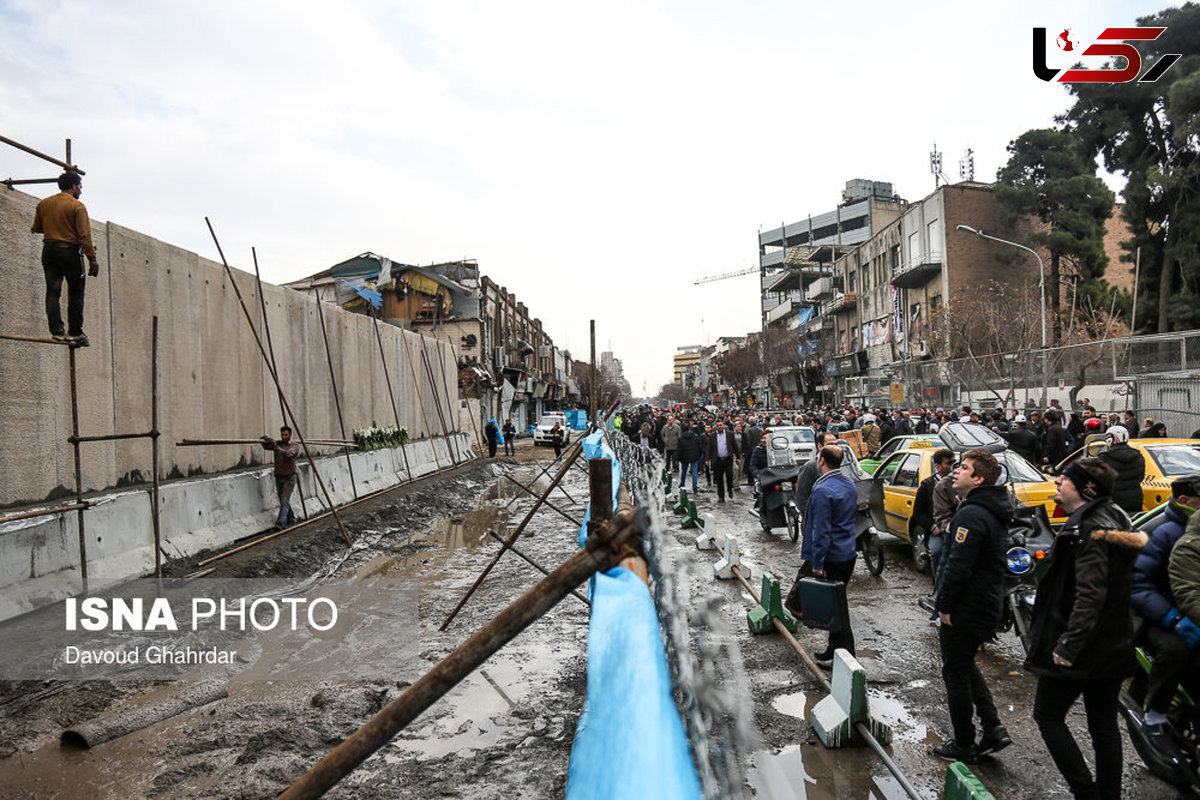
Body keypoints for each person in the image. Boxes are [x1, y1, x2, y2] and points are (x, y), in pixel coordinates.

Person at [1024, 458, 1146, 800]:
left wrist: (1068, 646)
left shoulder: (1091, 529)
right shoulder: (1113, 517)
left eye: (1065, 479)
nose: (1058, 482)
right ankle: (1108, 794)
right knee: (1103, 722)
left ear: (1085, 488)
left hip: (1083, 645)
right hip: (1112, 641)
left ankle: (1085, 791)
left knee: (1047, 717)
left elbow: (1090, 595)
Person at [932, 449, 1012, 764]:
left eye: (963, 468)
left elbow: (957, 567)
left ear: (978, 479)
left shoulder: (972, 514)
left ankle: (964, 742)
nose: (955, 471)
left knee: (955, 672)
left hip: (968, 607)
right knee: (965, 664)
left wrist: (944, 606)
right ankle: (992, 728)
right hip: (982, 603)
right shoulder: (982, 507)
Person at [1130, 474, 1200, 756]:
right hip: (1156, 615)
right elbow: (1137, 583)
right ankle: (1155, 714)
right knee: (1176, 649)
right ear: (1185, 501)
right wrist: (1173, 618)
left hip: (1191, 610)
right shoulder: (1163, 532)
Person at [786, 445, 859, 670]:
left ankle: (845, 657)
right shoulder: (848, 483)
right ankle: (833, 649)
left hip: (832, 556)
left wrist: (817, 562)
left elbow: (821, 529)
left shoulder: (822, 489)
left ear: (821, 461)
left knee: (836, 610)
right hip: (848, 552)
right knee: (836, 604)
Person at [31, 171, 100, 347]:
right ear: (74, 186)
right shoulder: (77, 206)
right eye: (80, 187)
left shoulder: (43, 204)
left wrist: (55, 227)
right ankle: (75, 333)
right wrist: (92, 259)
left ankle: (57, 332)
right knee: (76, 292)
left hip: (49, 250)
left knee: (53, 292)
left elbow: (37, 228)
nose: (81, 190)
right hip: (69, 251)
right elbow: (84, 236)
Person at [915, 448, 956, 580]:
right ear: (938, 466)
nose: (953, 467)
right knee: (938, 551)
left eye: (954, 462)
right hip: (937, 531)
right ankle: (939, 583)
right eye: (948, 463)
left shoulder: (959, 482)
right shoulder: (927, 486)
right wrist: (932, 526)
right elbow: (918, 513)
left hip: (957, 527)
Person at [1097, 426, 1145, 515]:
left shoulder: (1104, 457)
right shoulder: (1138, 456)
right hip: (1135, 500)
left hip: (1113, 501)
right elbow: (1141, 477)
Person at [261, 426, 301, 531]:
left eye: (286, 435)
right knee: (284, 501)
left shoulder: (294, 446)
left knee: (284, 500)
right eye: (282, 435)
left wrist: (276, 447)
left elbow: (288, 454)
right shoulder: (278, 444)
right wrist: (264, 440)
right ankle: (291, 519)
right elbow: (266, 447)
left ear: (290, 435)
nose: (283, 437)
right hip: (279, 476)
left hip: (290, 477)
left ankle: (280, 523)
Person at [707, 419, 741, 503]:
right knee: (719, 479)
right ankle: (721, 496)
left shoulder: (730, 434)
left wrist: (738, 457)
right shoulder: (712, 436)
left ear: (723, 426)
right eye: (718, 425)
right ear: (716, 427)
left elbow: (734, 446)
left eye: (720, 425)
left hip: (727, 459)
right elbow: (709, 448)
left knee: (729, 476)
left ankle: (730, 489)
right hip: (718, 460)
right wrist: (707, 459)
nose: (719, 427)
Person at [677, 422, 705, 493]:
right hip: (694, 457)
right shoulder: (695, 436)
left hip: (684, 457)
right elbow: (699, 447)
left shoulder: (681, 438)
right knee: (694, 472)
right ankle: (694, 486)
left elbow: (679, 449)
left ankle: (682, 484)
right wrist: (698, 455)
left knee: (684, 471)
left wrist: (678, 458)